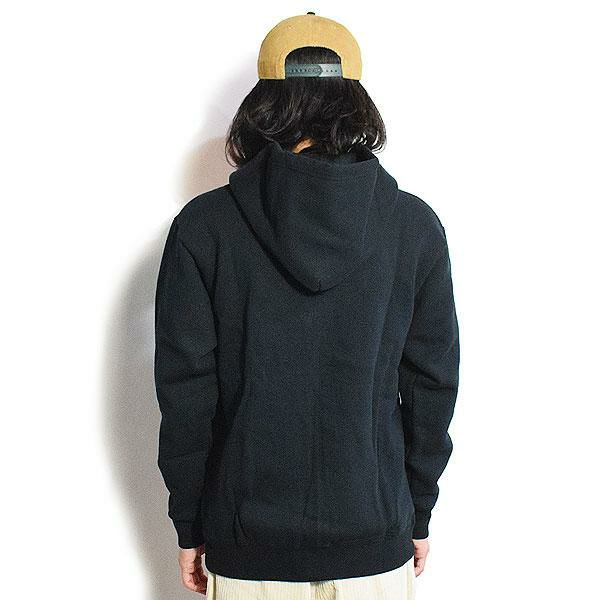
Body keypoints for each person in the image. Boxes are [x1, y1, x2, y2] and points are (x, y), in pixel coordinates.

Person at [154, 11, 460, 599]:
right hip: (374, 540)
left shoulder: (204, 227)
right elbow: (432, 386)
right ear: (355, 100)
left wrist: (189, 524)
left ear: (263, 103)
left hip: (248, 546)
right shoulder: (414, 228)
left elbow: (186, 391)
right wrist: (417, 511)